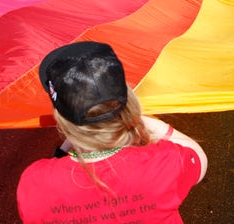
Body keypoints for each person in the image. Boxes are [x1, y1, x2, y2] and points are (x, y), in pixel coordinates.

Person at [17, 41, 207, 223]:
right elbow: (198, 157)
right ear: (128, 102)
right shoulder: (165, 162)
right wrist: (137, 118)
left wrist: (65, 148)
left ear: (62, 119)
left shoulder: (34, 182)